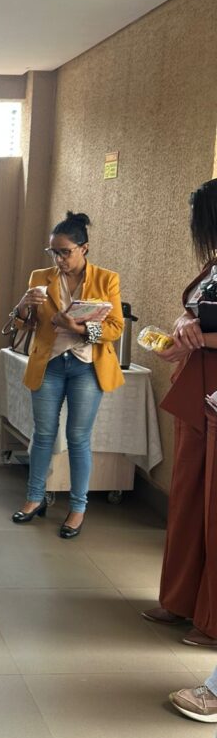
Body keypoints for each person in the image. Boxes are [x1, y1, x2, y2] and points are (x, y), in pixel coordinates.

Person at [10, 212, 124, 538]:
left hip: (86, 366)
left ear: (83, 248)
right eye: (54, 252)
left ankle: (77, 507)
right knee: (43, 433)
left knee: (78, 437)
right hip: (49, 363)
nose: (59, 259)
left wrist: (78, 327)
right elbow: (23, 324)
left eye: (65, 252)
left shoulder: (106, 279)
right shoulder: (40, 277)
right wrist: (23, 305)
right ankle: (34, 498)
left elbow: (115, 327)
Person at [141, 178, 217, 646]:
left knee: (216, 506)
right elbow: (191, 310)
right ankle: (180, 599)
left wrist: (200, 339)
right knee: (187, 495)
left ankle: (212, 619)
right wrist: (183, 325)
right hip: (195, 384)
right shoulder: (213, 266)